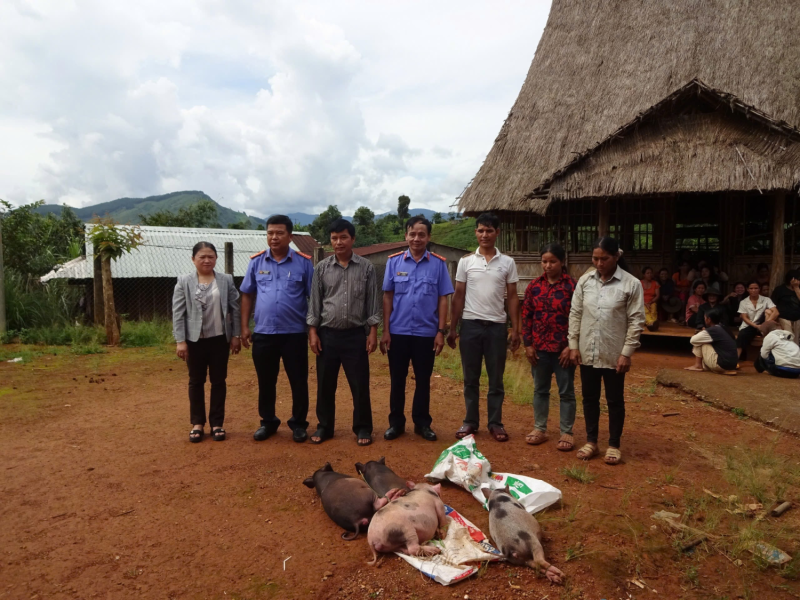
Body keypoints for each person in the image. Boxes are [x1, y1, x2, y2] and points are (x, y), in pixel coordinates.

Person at [568, 237, 645, 466]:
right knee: (589, 398)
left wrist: (626, 353)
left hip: (614, 353)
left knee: (614, 400)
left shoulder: (631, 284)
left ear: (616, 257)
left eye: (605, 258)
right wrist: (573, 345)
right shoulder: (585, 281)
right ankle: (592, 441)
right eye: (595, 258)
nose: (599, 263)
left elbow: (636, 320)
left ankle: (614, 444)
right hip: (587, 350)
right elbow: (575, 313)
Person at [239, 215, 315, 443]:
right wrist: (244, 326)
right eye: (270, 233)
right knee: (266, 380)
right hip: (264, 333)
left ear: (290, 236)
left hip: (294, 333)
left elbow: (314, 298)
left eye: (279, 233)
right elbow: (247, 294)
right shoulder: (257, 262)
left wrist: (312, 329)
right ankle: (268, 422)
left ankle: (299, 424)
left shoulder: (303, 263)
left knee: (298, 381)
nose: (274, 237)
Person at [307, 218, 381, 446]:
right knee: (325, 385)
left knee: (359, 385)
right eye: (334, 238)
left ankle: (362, 428)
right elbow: (315, 303)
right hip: (327, 335)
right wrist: (313, 332)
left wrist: (372, 332)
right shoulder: (321, 268)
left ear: (353, 239)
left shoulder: (366, 268)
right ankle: (325, 427)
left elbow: (372, 302)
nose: (339, 242)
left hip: (355, 335)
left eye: (343, 237)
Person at [447, 212, 520, 442]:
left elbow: (512, 296)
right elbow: (458, 295)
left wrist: (516, 329)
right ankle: (470, 421)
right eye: (480, 230)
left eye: (489, 230)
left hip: (497, 327)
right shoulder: (466, 262)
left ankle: (495, 423)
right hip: (470, 326)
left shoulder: (507, 262)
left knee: (496, 378)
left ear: (497, 233)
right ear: (475, 232)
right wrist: (452, 327)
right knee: (471, 377)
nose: (484, 234)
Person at [380, 217, 454, 442]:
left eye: (422, 234)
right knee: (397, 380)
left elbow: (443, 299)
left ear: (429, 237)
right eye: (412, 234)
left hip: (426, 333)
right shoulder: (394, 262)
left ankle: (422, 424)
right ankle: (396, 424)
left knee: (423, 380)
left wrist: (440, 331)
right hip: (398, 332)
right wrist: (386, 331)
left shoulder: (438, 264)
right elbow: (387, 296)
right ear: (406, 236)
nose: (417, 238)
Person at [172, 242, 241, 443]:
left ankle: (217, 423)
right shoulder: (184, 281)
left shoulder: (226, 280)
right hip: (194, 341)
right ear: (193, 259)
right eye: (202, 256)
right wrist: (180, 341)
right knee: (196, 381)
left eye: (211, 256)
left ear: (216, 258)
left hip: (219, 340)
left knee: (219, 381)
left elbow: (234, 308)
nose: (206, 260)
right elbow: (178, 313)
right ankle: (197, 424)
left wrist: (235, 335)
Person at [521, 243, 577, 451]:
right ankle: (539, 428)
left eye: (552, 261)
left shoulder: (573, 286)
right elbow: (526, 317)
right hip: (540, 349)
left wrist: (571, 346)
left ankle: (566, 432)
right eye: (544, 261)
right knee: (540, 390)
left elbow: (578, 317)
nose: (548, 265)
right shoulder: (534, 286)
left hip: (564, 351)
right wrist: (528, 344)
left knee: (566, 392)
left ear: (562, 262)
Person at [684, 308, 738, 375]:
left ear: (709, 320)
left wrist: (701, 333)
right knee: (703, 340)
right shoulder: (724, 327)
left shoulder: (713, 330)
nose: (704, 319)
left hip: (722, 364)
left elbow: (693, 340)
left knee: (700, 342)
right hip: (732, 365)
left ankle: (698, 365)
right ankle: (722, 369)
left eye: (705, 318)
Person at [736, 281, 779, 360]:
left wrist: (764, 325)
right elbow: (744, 318)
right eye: (751, 288)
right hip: (750, 325)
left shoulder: (766, 300)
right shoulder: (744, 302)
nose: (753, 290)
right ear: (747, 290)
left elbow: (776, 312)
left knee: (769, 312)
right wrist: (756, 326)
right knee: (742, 336)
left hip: (763, 324)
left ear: (759, 289)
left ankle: (771, 359)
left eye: (756, 288)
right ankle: (735, 360)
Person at [771, 269, 800, 342]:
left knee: (796, 339)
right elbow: (772, 304)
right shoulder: (780, 289)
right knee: (789, 338)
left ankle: (796, 353)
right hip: (784, 317)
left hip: (798, 318)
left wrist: (796, 288)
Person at [640, 267, 660, 331]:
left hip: (652, 301)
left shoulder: (655, 283)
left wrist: (650, 302)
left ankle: (651, 323)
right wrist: (645, 303)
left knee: (653, 308)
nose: (649, 275)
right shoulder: (639, 283)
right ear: (644, 275)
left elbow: (657, 295)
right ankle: (651, 323)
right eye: (647, 273)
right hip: (642, 302)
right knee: (645, 310)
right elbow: (637, 296)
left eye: (651, 273)